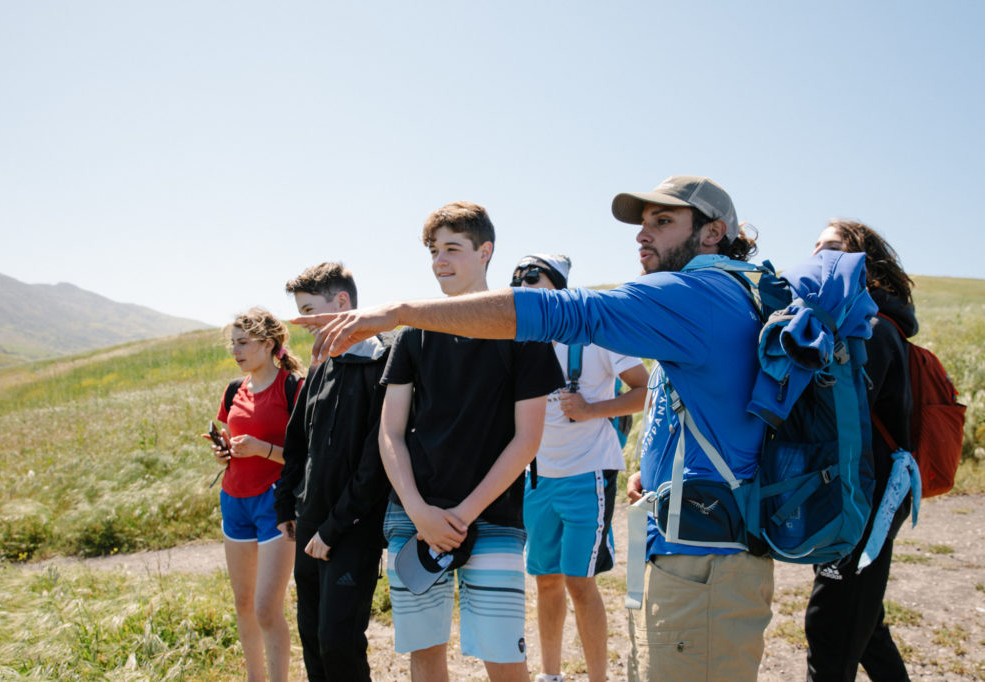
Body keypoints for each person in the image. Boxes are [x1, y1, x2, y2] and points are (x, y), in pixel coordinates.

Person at [299, 175, 774, 681]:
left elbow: (566, 314)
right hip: (690, 546)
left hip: (703, 555)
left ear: (712, 231)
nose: (641, 235)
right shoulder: (721, 292)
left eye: (661, 221)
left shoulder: (693, 294)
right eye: (642, 223)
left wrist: (398, 311)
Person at [378, 201, 565, 681]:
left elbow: (527, 440)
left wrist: (462, 515)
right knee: (425, 653)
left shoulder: (526, 334)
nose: (440, 260)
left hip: (494, 515)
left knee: (504, 656)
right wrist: (419, 511)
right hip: (415, 516)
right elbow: (390, 433)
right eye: (433, 250)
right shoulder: (413, 335)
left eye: (452, 249)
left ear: (486, 252)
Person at [510, 253, 649, 682]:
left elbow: (647, 391)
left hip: (588, 474)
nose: (524, 285)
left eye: (534, 277)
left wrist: (592, 409)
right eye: (517, 280)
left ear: (562, 286)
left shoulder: (598, 333)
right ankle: (550, 676)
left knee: (578, 582)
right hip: (537, 478)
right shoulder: (517, 341)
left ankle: (597, 678)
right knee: (545, 581)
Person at [804, 220, 916, 681]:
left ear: (863, 261)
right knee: (863, 624)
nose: (818, 257)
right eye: (815, 249)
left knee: (830, 628)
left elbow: (835, 420)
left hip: (865, 497)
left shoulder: (872, 330)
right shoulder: (860, 324)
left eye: (831, 248)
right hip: (861, 491)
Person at [273, 262, 394, 682]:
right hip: (307, 525)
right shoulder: (321, 365)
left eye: (310, 310)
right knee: (312, 641)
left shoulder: (386, 364)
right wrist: (287, 504)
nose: (302, 322)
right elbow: (297, 442)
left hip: (353, 530)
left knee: (338, 642)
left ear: (342, 302)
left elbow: (376, 463)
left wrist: (334, 529)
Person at [207, 307, 302, 682]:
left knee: (266, 608)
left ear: (267, 344)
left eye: (243, 342)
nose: (235, 350)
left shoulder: (293, 386)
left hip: (275, 502)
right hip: (234, 499)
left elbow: (304, 457)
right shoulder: (235, 389)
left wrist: (262, 449)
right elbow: (233, 440)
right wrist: (223, 450)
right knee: (244, 605)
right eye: (232, 343)